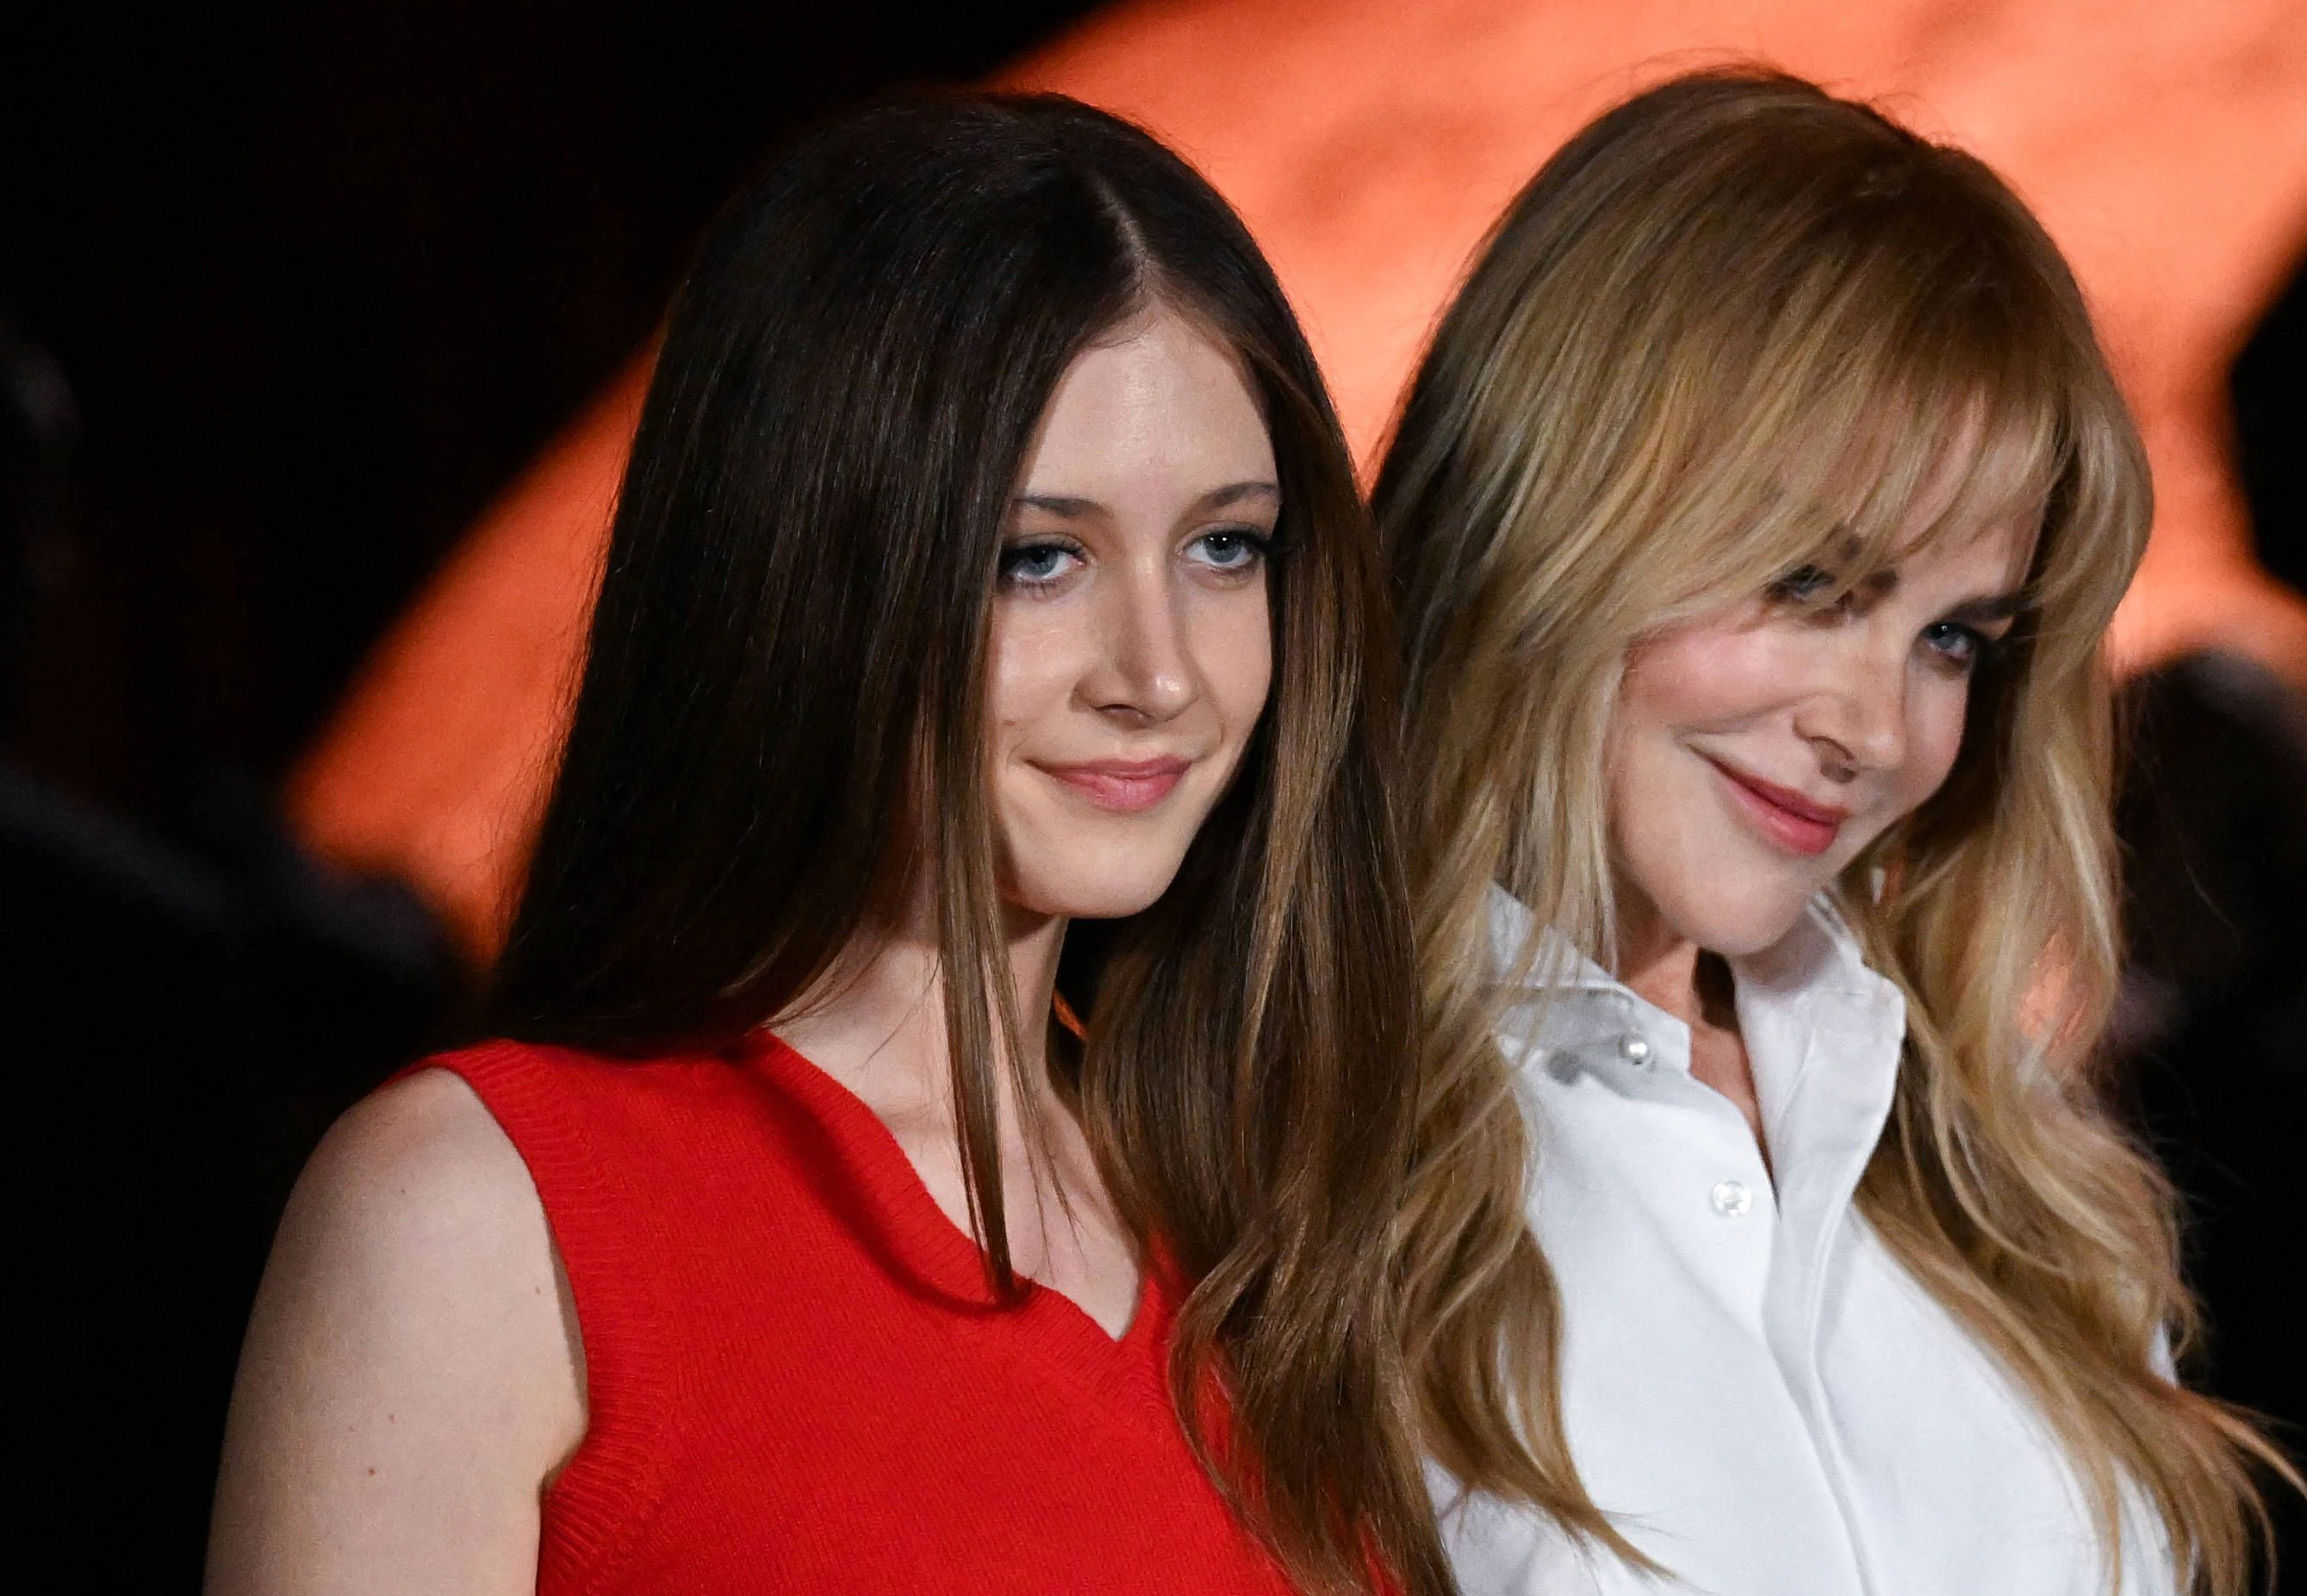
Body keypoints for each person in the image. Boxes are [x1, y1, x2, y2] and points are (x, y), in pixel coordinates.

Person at [208, 91, 1451, 1596]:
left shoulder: (1275, 1230)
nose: (1161, 673)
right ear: (804, 572)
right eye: (1036, 559)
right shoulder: (483, 1218)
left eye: (1224, 546)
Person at [1378, 70, 2293, 1596]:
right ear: (1560, 505)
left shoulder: (1996, 1171)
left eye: (1955, 639)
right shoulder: (1274, 1148)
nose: (1878, 733)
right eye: (1811, 583)